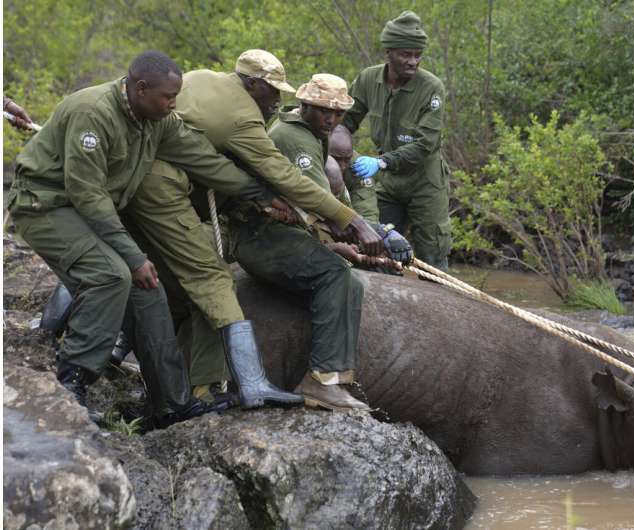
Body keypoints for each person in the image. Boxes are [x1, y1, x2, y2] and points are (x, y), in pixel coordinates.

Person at [124, 52, 384, 411]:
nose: (278, 99)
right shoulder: (257, 123)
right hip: (231, 218)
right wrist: (351, 223)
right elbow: (289, 181)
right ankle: (319, 379)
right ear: (253, 85)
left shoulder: (203, 78)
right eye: (273, 91)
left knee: (205, 281)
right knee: (219, 281)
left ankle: (201, 385)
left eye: (338, 113)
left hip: (218, 206)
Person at [7, 51, 248, 428]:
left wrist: (260, 193)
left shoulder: (156, 119)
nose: (173, 104)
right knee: (111, 275)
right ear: (139, 88)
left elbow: (203, 159)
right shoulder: (94, 112)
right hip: (45, 204)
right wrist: (134, 256)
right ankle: (72, 380)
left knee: (148, 291)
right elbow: (88, 196)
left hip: (88, 212)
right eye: (168, 96)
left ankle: (172, 404)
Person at [343, 10, 452, 270]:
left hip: (425, 183)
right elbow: (345, 122)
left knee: (433, 254)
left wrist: (380, 163)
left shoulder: (431, 88)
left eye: (418, 55)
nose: (413, 61)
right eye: (406, 54)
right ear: (388, 52)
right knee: (378, 244)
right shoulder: (369, 79)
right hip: (389, 185)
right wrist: (339, 157)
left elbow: (425, 144)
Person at [328, 125, 380, 224]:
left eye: (347, 159)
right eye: (337, 159)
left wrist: (368, 228)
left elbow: (367, 208)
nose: (343, 166)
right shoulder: (312, 160)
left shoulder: (359, 166)